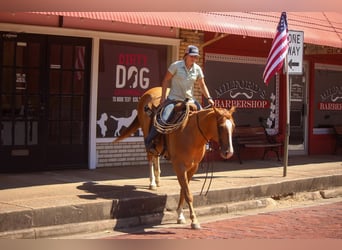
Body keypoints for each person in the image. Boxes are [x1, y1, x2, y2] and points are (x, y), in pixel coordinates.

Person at [145, 45, 215, 155]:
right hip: (174, 99)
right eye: (192, 56)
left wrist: (209, 98)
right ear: (186, 55)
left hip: (190, 100)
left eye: (196, 57)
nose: (194, 59)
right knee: (163, 118)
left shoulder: (197, 69)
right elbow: (165, 80)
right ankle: (149, 141)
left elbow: (202, 85)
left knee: (202, 117)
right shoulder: (176, 66)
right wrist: (163, 97)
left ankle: (205, 144)